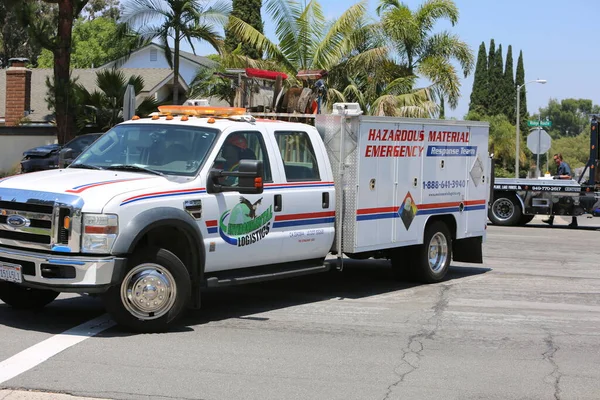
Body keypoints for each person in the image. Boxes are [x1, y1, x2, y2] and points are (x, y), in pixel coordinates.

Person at [542, 153, 578, 227]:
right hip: (561, 188)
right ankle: (551, 219)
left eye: (556, 159)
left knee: (571, 204)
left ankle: (574, 222)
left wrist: (559, 177)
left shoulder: (564, 165)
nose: (555, 161)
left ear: (560, 158)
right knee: (555, 202)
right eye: (554, 159)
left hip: (567, 188)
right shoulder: (559, 166)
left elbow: (569, 176)